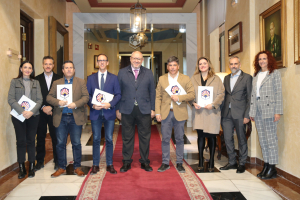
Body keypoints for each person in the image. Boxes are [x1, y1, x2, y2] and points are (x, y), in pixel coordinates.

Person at [47, 60, 89, 178]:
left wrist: (75, 104)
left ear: (74, 70)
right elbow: (49, 97)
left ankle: (77, 167)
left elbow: (86, 97)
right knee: (60, 143)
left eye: (71, 67)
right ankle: (61, 167)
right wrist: (58, 102)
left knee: (76, 143)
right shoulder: (57, 83)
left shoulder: (80, 82)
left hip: (76, 117)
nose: (69, 69)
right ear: (63, 70)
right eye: (66, 68)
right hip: (61, 118)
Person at [116, 51, 156, 172]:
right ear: (130, 59)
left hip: (144, 109)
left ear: (142, 60)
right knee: (127, 137)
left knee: (145, 137)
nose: (137, 60)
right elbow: (118, 92)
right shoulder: (122, 72)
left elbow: (152, 92)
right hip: (127, 109)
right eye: (134, 58)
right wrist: (118, 109)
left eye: (139, 59)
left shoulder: (148, 73)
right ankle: (127, 162)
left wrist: (153, 108)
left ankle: (144, 161)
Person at [155, 56, 195, 173]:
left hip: (180, 113)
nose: (172, 67)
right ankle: (165, 162)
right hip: (165, 113)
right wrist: (157, 112)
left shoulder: (185, 79)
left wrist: (180, 97)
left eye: (174, 65)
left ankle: (179, 163)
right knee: (165, 139)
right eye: (170, 65)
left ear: (178, 66)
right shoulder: (162, 79)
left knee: (179, 139)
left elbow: (192, 94)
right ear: (167, 67)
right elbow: (158, 97)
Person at [249, 51, 283, 179]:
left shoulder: (274, 74)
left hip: (270, 110)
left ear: (269, 60)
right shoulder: (256, 75)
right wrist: (252, 111)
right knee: (263, 140)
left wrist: (277, 112)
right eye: (259, 59)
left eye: (264, 58)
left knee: (271, 140)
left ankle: (272, 168)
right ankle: (266, 165)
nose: (262, 61)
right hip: (258, 111)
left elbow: (278, 93)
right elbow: (253, 94)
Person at [86, 54, 121, 175]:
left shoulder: (114, 78)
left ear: (107, 62)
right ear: (97, 63)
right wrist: (92, 104)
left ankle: (109, 164)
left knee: (109, 139)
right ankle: (95, 164)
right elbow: (87, 95)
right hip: (95, 113)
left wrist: (110, 104)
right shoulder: (90, 78)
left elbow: (118, 95)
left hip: (109, 113)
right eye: (99, 60)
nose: (101, 62)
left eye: (104, 60)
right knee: (95, 139)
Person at [8, 61, 43, 179]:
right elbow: (11, 99)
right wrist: (22, 111)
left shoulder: (36, 82)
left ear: (32, 70)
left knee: (31, 141)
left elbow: (39, 100)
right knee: (21, 141)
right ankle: (22, 167)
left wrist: (31, 112)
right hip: (18, 116)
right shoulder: (14, 82)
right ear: (21, 69)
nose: (27, 70)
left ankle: (32, 166)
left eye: (30, 68)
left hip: (33, 116)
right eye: (25, 67)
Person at [190, 57, 224, 172]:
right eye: (200, 64)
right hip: (199, 112)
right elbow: (190, 94)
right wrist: (193, 103)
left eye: (205, 63)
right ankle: (200, 160)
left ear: (209, 65)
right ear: (198, 66)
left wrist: (213, 104)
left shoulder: (216, 79)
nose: (203, 65)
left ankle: (211, 162)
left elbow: (221, 94)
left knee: (211, 137)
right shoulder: (193, 78)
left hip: (212, 112)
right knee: (200, 136)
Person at [220, 56, 252, 173]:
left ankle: (242, 163)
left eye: (236, 64)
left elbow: (249, 98)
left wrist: (247, 115)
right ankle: (232, 162)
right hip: (226, 114)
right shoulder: (226, 78)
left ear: (240, 64)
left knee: (241, 139)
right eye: (231, 64)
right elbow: (225, 96)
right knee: (228, 139)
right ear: (229, 66)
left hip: (240, 114)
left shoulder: (247, 78)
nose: (233, 66)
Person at [35, 56, 62, 171]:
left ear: (53, 65)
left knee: (55, 137)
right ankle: (40, 161)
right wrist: (43, 107)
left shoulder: (59, 78)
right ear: (42, 65)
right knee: (40, 137)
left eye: (50, 64)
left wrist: (51, 107)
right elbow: (34, 96)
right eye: (46, 64)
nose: (48, 66)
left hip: (54, 112)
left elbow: (61, 96)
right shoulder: (36, 79)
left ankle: (57, 161)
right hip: (40, 113)